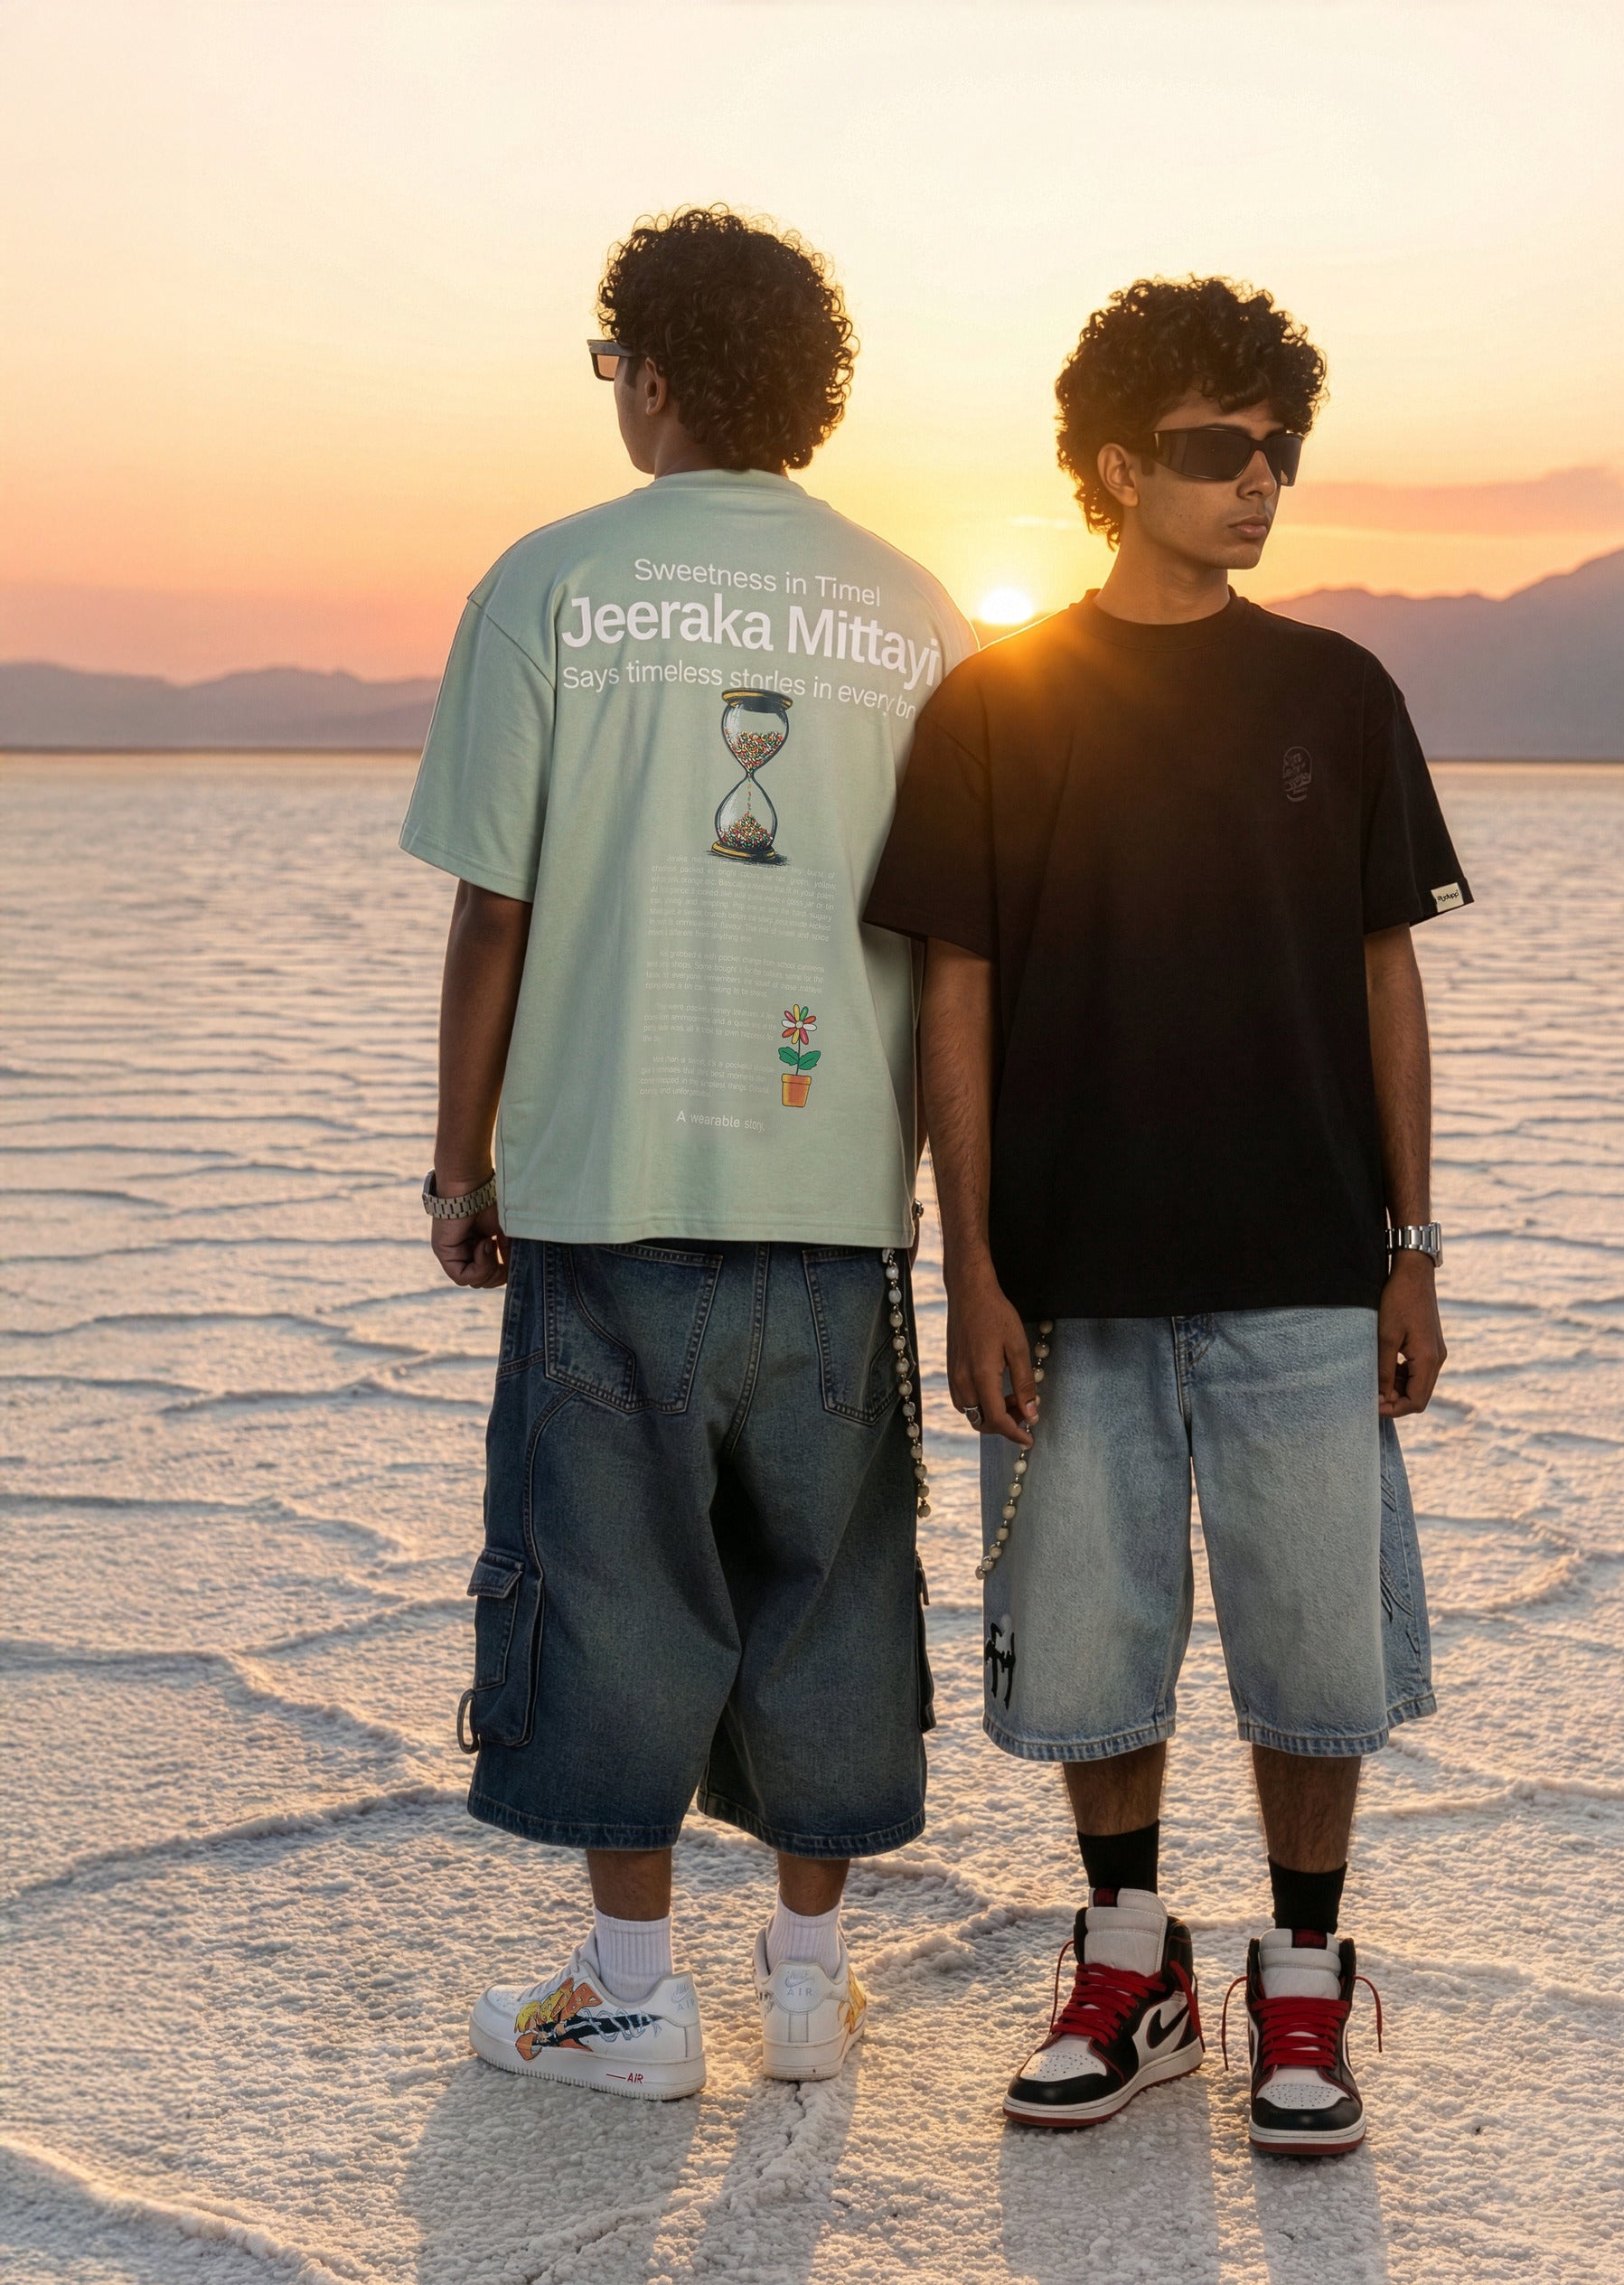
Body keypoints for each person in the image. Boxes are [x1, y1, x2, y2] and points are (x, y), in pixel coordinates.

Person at [864, 273, 1470, 2153]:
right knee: (1096, 1639)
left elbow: (1387, 974)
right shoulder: (997, 701)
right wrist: (970, 1266)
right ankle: (1126, 1961)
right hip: (1073, 1279)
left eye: (1282, 449)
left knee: (1314, 1649)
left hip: (1302, 1264)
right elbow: (949, 991)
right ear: (1117, 462)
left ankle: (1300, 1982)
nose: (1262, 480)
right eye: (1221, 449)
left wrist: (1415, 1249)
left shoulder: (1337, 692)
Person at [401, 207, 972, 2100]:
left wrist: (456, 1167)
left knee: (611, 1576)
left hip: (606, 1189)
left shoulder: (552, 583)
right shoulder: (915, 611)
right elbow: (957, 944)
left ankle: (632, 1992)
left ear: (645, 370)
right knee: (827, 1578)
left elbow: (498, 907)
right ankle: (806, 1990)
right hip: (834, 1205)